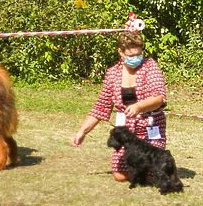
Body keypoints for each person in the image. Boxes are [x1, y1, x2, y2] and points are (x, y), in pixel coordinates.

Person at [72, 31, 168, 182]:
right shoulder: (112, 74)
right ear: (121, 53)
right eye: (131, 56)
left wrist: (139, 107)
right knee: (119, 176)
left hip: (150, 127)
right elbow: (101, 107)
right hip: (126, 130)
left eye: (138, 54)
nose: (135, 58)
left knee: (149, 171)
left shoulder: (150, 67)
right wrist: (82, 132)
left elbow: (159, 98)